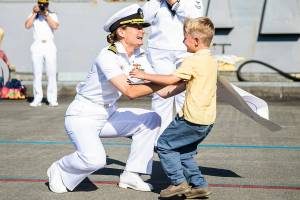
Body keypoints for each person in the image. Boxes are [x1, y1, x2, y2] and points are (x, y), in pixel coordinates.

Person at [46, 4, 165, 194]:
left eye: (143, 27)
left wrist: (187, 81)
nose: (142, 31)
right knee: (95, 160)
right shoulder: (107, 56)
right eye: (137, 27)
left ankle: (132, 175)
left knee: (151, 120)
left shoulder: (140, 56)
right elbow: (130, 92)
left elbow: (163, 90)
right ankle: (60, 168)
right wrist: (171, 82)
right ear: (121, 31)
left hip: (108, 113)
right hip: (83, 115)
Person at [130, 16, 216, 198]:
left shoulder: (192, 61)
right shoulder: (210, 61)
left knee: (164, 146)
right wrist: (154, 86)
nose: (183, 40)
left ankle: (178, 183)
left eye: (185, 37)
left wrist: (143, 74)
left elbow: (170, 79)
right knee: (184, 153)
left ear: (196, 41)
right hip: (206, 121)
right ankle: (199, 185)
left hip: (190, 119)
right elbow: (174, 88)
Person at [142, 0, 205, 139]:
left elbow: (195, 17)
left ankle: (184, 138)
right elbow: (144, 18)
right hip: (159, 50)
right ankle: (160, 140)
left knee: (185, 95)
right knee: (161, 95)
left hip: (185, 49)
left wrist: (174, 2)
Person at [25, 0, 59, 107]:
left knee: (51, 73)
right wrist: (35, 13)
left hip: (49, 45)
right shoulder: (33, 15)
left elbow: (55, 26)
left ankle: (52, 99)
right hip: (37, 45)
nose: (43, 6)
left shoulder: (52, 15)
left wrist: (46, 14)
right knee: (37, 73)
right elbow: (27, 25)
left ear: (48, 5)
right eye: (41, 4)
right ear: (38, 4)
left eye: (45, 4)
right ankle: (37, 98)